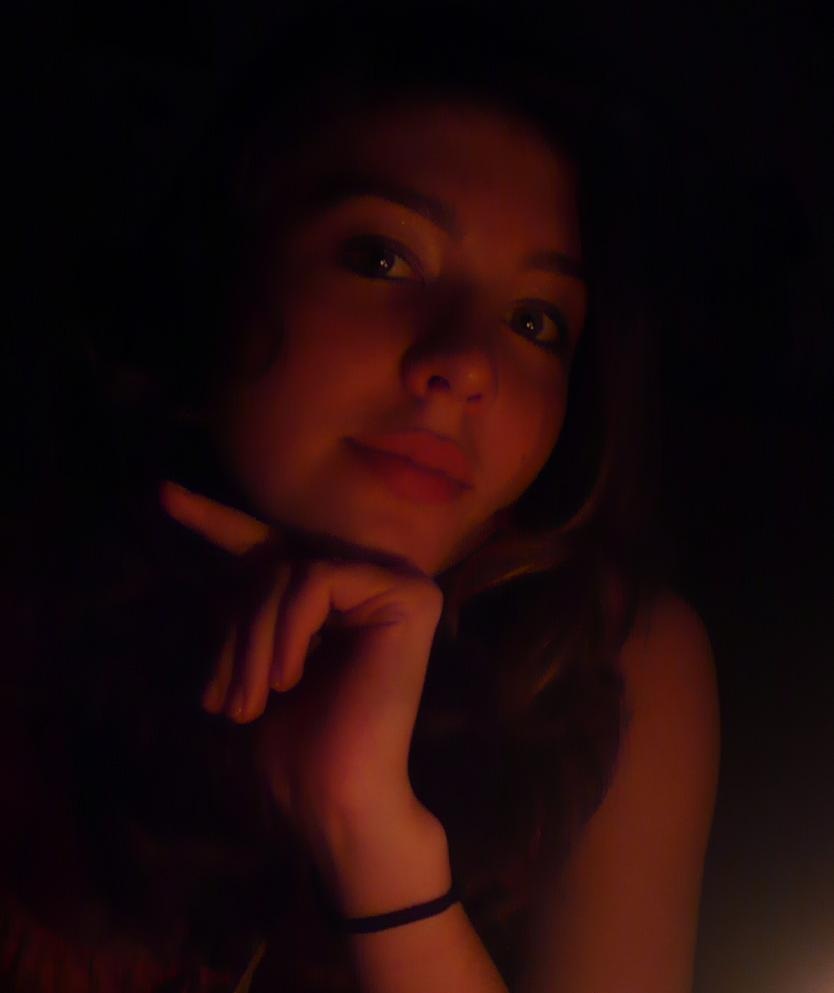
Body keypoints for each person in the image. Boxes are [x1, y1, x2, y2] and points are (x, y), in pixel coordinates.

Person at [2, 6, 720, 991]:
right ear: (222, 269)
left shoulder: (606, 661)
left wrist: (371, 836)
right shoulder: (38, 572)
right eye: (382, 258)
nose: (466, 363)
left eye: (534, 320)